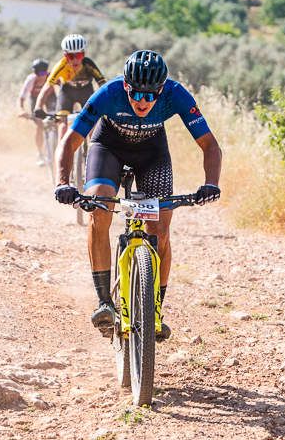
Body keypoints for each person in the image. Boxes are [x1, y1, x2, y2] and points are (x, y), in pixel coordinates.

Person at [53, 50, 222, 341]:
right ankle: (105, 302)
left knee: (160, 230)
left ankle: (155, 308)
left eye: (151, 95)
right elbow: (70, 141)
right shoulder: (109, 93)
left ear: (161, 90)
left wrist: (211, 183)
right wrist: (62, 182)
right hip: (108, 148)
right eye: (136, 94)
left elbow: (209, 144)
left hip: (152, 154)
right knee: (99, 208)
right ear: (126, 87)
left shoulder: (176, 94)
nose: (143, 102)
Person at [35, 33, 106, 139]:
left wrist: (108, 102)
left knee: (92, 124)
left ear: (84, 54)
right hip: (67, 92)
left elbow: (103, 84)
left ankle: (91, 151)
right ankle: (60, 153)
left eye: (79, 55)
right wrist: (38, 106)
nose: (75, 60)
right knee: (62, 125)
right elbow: (47, 86)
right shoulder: (61, 65)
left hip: (86, 91)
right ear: (65, 55)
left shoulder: (88, 64)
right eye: (70, 56)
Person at [18, 58, 53, 165]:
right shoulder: (31, 80)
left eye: (43, 73)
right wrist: (21, 110)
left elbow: (64, 91)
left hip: (51, 98)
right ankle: (40, 153)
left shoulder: (52, 76)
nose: (41, 76)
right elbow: (21, 97)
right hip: (35, 100)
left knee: (58, 119)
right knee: (39, 124)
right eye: (37, 73)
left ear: (46, 72)